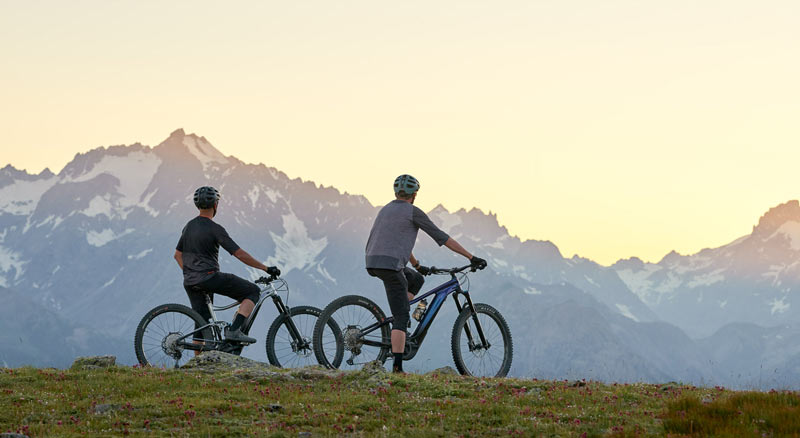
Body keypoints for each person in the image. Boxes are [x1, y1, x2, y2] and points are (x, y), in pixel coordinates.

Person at [365, 174, 487, 373]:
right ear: (414, 195)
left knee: (416, 278)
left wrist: (417, 265)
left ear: (396, 193)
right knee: (401, 316)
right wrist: (470, 257)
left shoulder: (385, 210)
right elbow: (442, 237)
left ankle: (403, 315)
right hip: (391, 265)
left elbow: (395, 241)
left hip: (374, 261)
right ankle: (397, 366)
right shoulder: (413, 212)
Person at [174, 186, 279, 345]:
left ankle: (196, 364)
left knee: (202, 323)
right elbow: (239, 254)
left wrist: (192, 273)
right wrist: (265, 268)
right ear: (216, 205)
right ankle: (234, 331)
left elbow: (177, 255)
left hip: (190, 281)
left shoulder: (188, 226)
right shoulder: (215, 229)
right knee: (252, 291)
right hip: (209, 277)